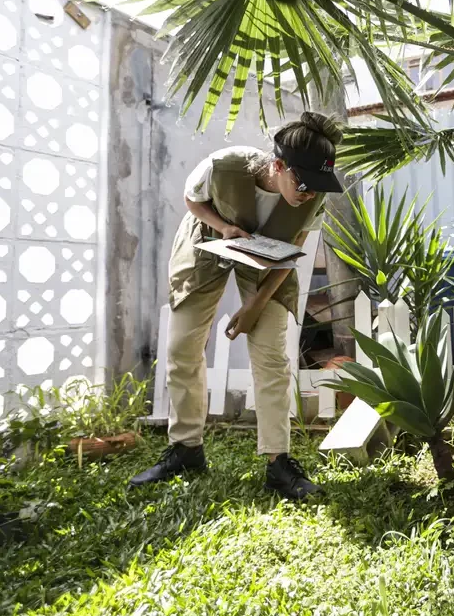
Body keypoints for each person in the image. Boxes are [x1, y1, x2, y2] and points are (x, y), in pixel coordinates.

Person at [129, 112, 345, 500]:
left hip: (270, 259)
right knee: (183, 347)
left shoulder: (313, 197)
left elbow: (291, 249)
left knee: (272, 357)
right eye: (304, 183)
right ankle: (185, 449)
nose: (310, 193)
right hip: (209, 241)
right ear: (278, 166)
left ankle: (278, 463)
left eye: (318, 186)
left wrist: (255, 307)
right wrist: (224, 226)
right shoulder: (223, 166)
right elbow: (192, 201)